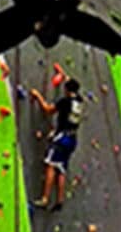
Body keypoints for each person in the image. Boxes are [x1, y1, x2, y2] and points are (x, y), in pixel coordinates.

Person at [30, 78, 85, 211]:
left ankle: (45, 199)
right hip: (72, 139)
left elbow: (48, 110)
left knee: (51, 165)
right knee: (61, 168)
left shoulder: (65, 102)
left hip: (62, 137)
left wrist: (38, 96)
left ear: (67, 90)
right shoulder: (79, 101)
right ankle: (59, 200)